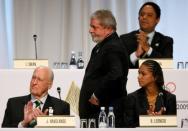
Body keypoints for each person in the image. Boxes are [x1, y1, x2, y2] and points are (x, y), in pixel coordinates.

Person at [79, 9, 129, 127]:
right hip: (95, 113)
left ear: (108, 28)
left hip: (105, 113)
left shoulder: (113, 47)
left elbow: (116, 74)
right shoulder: (102, 46)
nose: (90, 30)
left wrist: (97, 95)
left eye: (94, 27)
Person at [2, 66, 70, 127]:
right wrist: (23, 124)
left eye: (39, 79)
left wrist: (46, 124)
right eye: (33, 78)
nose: (34, 82)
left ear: (49, 85)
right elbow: (4, 129)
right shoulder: (13, 103)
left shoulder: (62, 107)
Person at [124, 60, 176, 127]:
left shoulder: (169, 98)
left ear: (155, 77)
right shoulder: (132, 98)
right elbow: (127, 126)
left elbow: (172, 126)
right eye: (139, 73)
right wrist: (146, 120)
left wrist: (161, 120)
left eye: (143, 74)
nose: (139, 77)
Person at [120, 2, 173, 68]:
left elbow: (167, 65)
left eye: (149, 15)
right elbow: (119, 65)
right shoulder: (124, 39)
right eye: (142, 14)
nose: (144, 17)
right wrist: (136, 54)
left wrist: (148, 49)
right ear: (138, 18)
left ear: (157, 20)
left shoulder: (166, 41)